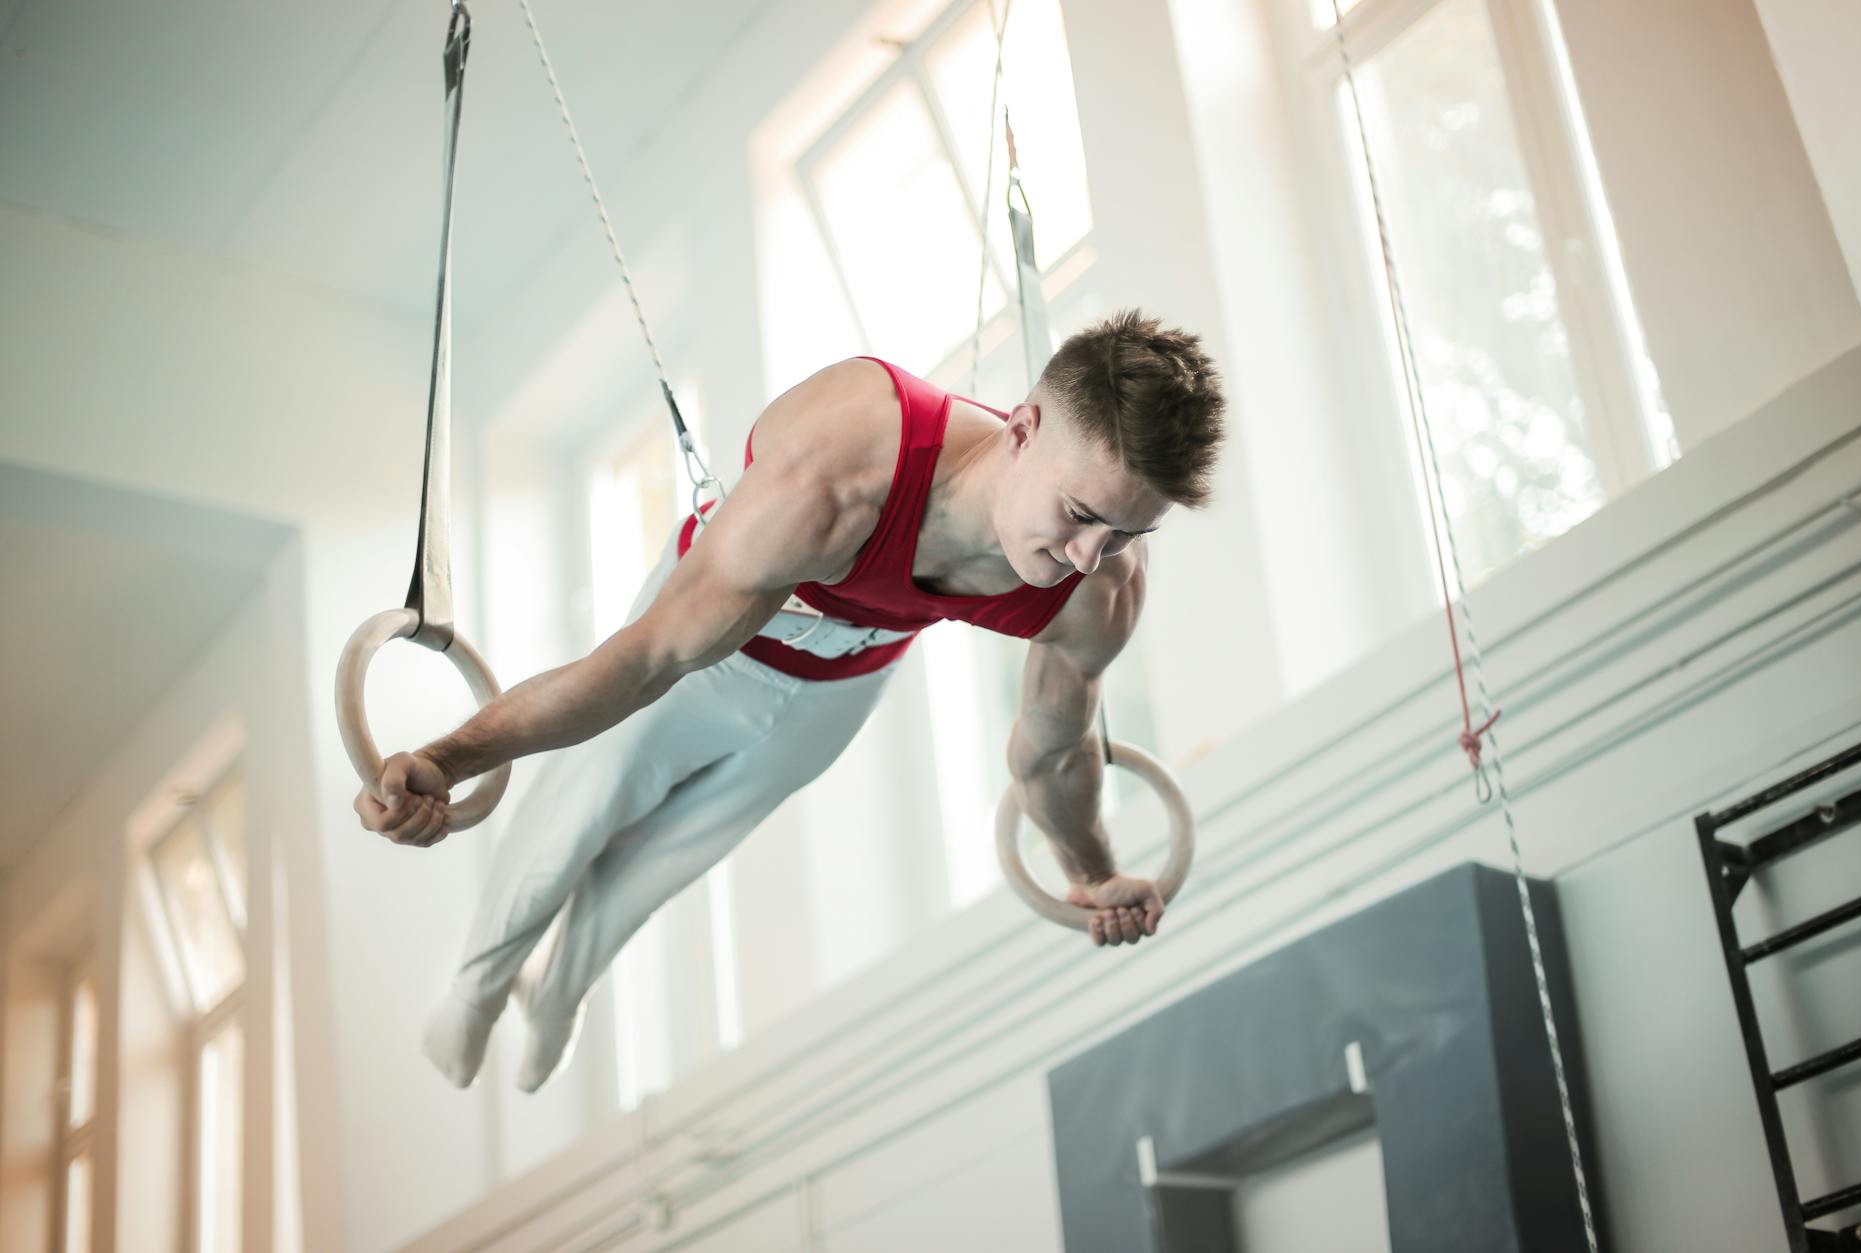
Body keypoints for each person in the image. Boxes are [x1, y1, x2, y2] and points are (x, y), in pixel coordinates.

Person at [352, 309, 1227, 1091]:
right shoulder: (845, 461)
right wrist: (447, 761)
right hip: (711, 654)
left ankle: (563, 988)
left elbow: (1053, 753)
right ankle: (479, 985)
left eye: (1126, 531)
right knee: (579, 818)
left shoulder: (1101, 585)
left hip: (842, 684)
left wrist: (1089, 870)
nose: (1087, 554)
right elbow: (647, 658)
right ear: (1024, 428)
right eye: (1079, 513)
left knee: (658, 867)